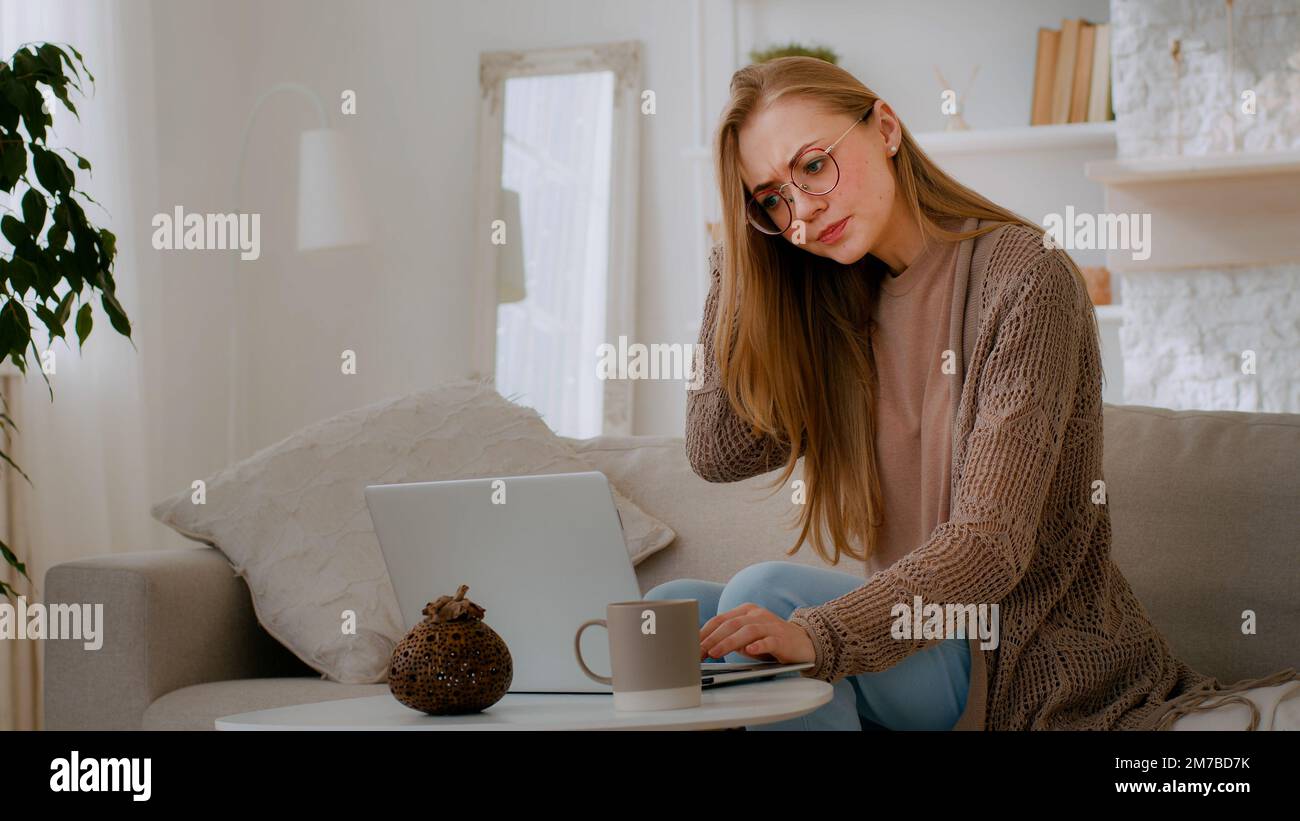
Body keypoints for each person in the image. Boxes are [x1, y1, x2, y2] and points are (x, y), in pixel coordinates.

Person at [644, 56, 1286, 731]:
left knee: (762, 595)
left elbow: (990, 545)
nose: (802, 209)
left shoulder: (1026, 277)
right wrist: (735, 259)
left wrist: (822, 635)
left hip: (1005, 657)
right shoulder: (834, 311)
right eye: (772, 198)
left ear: (885, 128)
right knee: (673, 605)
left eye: (812, 166)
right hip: (909, 650)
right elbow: (715, 449)